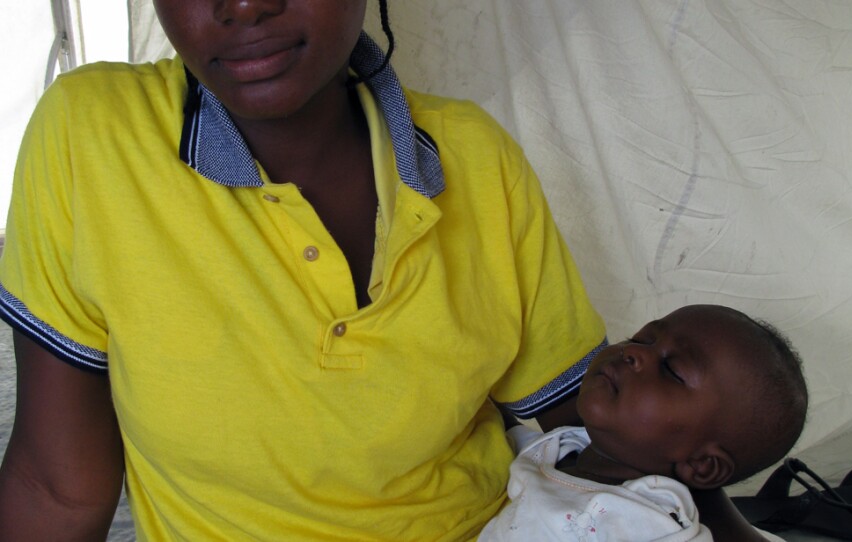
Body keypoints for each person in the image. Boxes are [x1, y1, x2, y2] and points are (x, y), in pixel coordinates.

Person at [0, 1, 607, 540]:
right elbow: (55, 489)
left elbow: (612, 435)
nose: (244, 7)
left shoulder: (475, 158)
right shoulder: (94, 136)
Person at [479, 304, 809, 541]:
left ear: (703, 465)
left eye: (672, 371)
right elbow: (498, 431)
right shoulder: (565, 447)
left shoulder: (649, 524)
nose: (634, 354)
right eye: (642, 338)